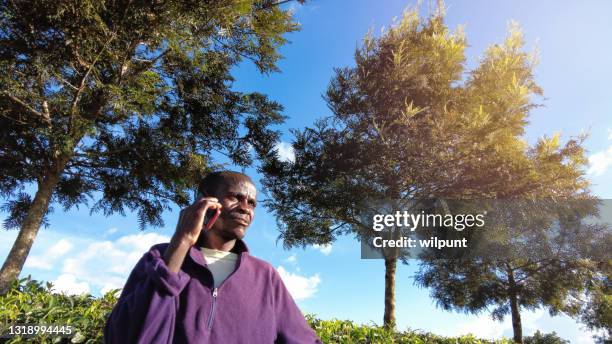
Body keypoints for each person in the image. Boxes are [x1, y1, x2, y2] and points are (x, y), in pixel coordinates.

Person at [104, 171, 322, 343]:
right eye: (235, 198)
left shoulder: (265, 275)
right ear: (205, 202)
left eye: (252, 203)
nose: (246, 208)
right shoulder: (160, 257)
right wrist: (182, 241)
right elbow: (126, 335)